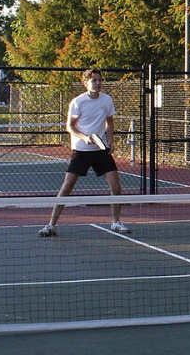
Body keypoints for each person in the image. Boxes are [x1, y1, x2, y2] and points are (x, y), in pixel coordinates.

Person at [39, 68, 127, 236]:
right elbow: (70, 126)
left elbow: (109, 122)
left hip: (100, 150)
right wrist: (84, 137)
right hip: (81, 150)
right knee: (67, 186)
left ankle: (116, 222)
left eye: (99, 80)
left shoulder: (107, 100)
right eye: (94, 80)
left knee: (115, 186)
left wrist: (110, 140)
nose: (98, 83)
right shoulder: (78, 102)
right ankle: (51, 225)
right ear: (86, 83)